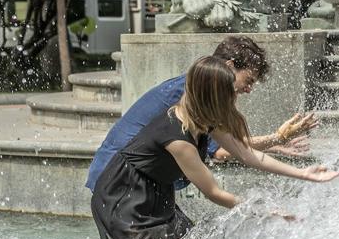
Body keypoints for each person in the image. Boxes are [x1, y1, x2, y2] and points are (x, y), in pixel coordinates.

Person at [91, 56, 339, 239]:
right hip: (122, 196)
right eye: (229, 93)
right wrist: (267, 212)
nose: (235, 98)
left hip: (156, 190)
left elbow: (246, 154)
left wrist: (305, 173)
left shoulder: (206, 119)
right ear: (212, 96)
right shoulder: (177, 138)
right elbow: (215, 193)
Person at [85, 35, 317, 193]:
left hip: (140, 180)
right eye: (248, 81)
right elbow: (224, 152)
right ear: (228, 66)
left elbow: (233, 146)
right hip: (118, 179)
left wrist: (275, 144)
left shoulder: (196, 89)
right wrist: (277, 138)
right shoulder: (190, 96)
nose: (249, 89)